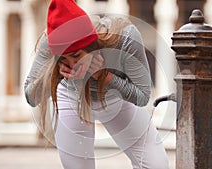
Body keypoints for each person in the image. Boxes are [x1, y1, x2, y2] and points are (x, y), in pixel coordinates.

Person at [24, 0, 169, 168]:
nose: (72, 65)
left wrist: (105, 76)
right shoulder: (49, 40)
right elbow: (30, 96)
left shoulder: (126, 37)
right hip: (71, 97)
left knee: (157, 165)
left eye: (77, 56)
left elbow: (143, 97)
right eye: (63, 59)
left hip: (116, 98)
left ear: (91, 46)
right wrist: (55, 74)